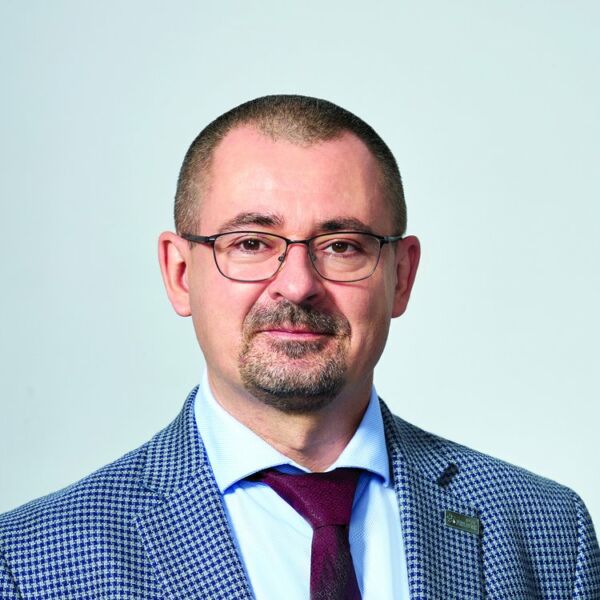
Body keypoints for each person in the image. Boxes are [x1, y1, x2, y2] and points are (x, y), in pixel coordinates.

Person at [1, 95, 598, 600]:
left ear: (402, 276)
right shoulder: (30, 563)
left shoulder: (548, 531)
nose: (297, 284)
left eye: (342, 245)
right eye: (251, 242)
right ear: (180, 274)